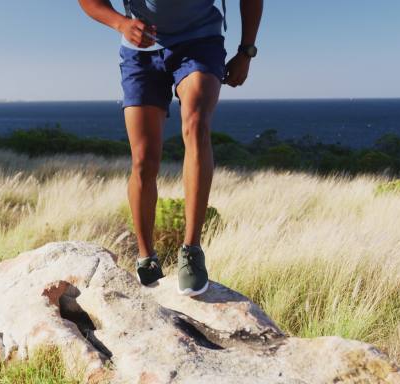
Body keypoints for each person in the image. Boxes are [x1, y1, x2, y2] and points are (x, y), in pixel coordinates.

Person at [78, 0, 263, 296]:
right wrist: (120, 23)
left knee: (196, 124)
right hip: (139, 52)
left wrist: (246, 51)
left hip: (200, 42)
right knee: (144, 160)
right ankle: (146, 256)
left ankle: (191, 251)